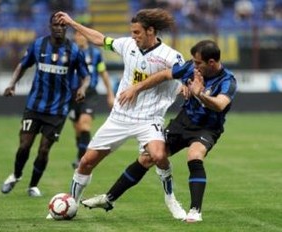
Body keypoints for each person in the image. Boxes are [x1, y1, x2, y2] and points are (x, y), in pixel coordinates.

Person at [81, 40, 237, 223]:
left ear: (211, 63)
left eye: (198, 62)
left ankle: (195, 210)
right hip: (183, 121)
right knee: (148, 158)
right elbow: (164, 75)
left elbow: (220, 105)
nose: (194, 65)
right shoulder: (190, 69)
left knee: (194, 156)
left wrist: (200, 93)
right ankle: (108, 199)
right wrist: (137, 87)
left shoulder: (228, 80)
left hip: (207, 127)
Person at [53, 8, 187, 219]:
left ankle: (170, 199)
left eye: (137, 33)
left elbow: (185, 73)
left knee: (159, 155)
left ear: (151, 31)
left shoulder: (170, 56)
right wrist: (73, 23)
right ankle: (72, 203)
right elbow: (100, 39)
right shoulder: (127, 45)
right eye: (132, 32)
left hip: (149, 118)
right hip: (120, 116)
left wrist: (186, 85)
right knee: (87, 161)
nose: (133, 37)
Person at [0, 13, 90, 197]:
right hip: (34, 106)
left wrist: (82, 88)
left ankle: (33, 185)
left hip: (58, 110)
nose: (59, 28)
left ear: (66, 28)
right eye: (56, 25)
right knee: (24, 145)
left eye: (63, 25)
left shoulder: (74, 51)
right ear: (50, 26)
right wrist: (11, 84)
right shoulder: (38, 45)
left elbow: (86, 76)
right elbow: (23, 65)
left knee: (43, 149)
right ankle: (16, 175)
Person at [69, 29, 115, 169]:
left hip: (89, 94)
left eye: (82, 35)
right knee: (77, 129)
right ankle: (80, 154)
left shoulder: (95, 54)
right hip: (72, 95)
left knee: (84, 125)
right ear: (75, 37)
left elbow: (103, 73)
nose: (80, 37)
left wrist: (110, 94)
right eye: (77, 35)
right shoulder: (68, 53)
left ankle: (82, 159)